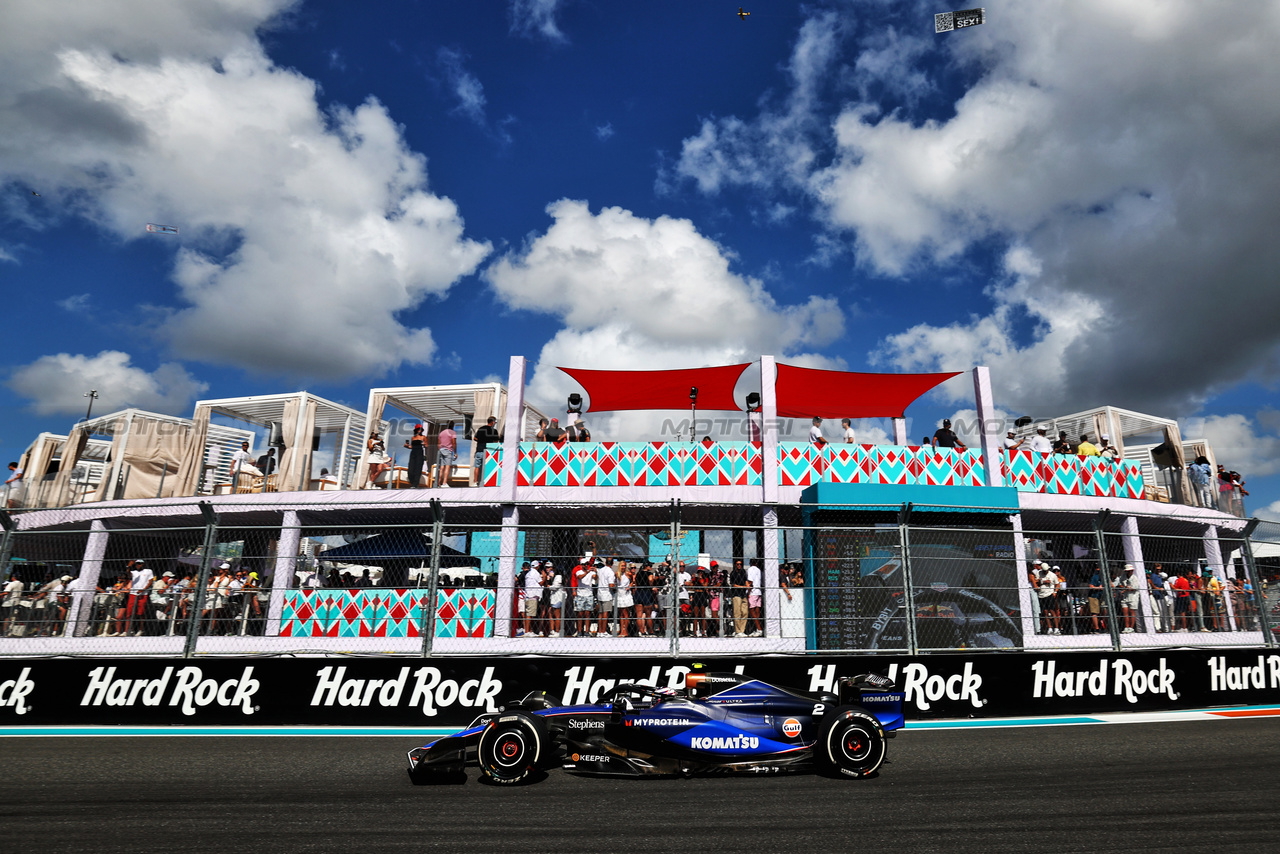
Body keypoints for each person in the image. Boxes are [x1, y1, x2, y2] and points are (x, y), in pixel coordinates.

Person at [123, 559, 153, 637]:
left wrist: (143, 589)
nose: (138, 565)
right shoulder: (134, 572)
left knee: (140, 612)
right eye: (137, 564)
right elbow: (128, 574)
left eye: (140, 563)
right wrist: (129, 566)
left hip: (143, 594)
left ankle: (140, 629)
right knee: (129, 612)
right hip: (133, 593)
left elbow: (150, 581)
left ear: (143, 564)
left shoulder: (148, 571)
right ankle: (128, 630)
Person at [472, 416, 501, 485]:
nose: (495, 423)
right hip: (489, 451)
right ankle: (486, 481)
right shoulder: (494, 431)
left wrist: (481, 440)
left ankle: (475, 482)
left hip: (479, 449)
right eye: (495, 422)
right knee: (488, 466)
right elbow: (496, 441)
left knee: (477, 466)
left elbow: (475, 438)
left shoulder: (481, 429)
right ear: (492, 422)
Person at [1116, 564, 1140, 633]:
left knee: (1132, 612)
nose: (1130, 572)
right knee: (1125, 612)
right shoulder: (1122, 577)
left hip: (1133, 597)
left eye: (1131, 571)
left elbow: (1134, 588)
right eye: (1128, 571)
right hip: (1125, 597)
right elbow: (1120, 584)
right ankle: (1126, 627)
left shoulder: (1135, 578)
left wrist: (1126, 589)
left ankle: (1131, 628)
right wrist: (1123, 587)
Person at [522, 560, 543, 637]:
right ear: (537, 566)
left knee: (530, 613)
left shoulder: (529, 573)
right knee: (530, 614)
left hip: (528, 595)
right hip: (532, 595)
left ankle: (530, 631)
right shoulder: (536, 573)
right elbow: (541, 583)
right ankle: (527, 631)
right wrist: (543, 576)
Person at [596, 559, 616, 636]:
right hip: (607, 594)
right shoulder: (610, 572)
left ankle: (599, 631)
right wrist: (615, 587)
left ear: (605, 562)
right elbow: (611, 585)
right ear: (613, 563)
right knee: (605, 613)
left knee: (600, 613)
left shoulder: (600, 570)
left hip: (600, 593)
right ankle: (604, 631)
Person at [1149, 565, 1171, 632]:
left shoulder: (1160, 576)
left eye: (1160, 569)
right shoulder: (1153, 576)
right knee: (1160, 612)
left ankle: (1166, 627)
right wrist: (1158, 588)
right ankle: (1161, 627)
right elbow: (1154, 585)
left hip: (1162, 595)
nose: (1159, 571)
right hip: (1157, 596)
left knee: (1164, 612)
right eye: (1157, 569)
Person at [730, 559, 749, 637]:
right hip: (736, 594)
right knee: (737, 613)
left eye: (740, 564)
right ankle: (738, 631)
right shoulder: (733, 573)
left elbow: (746, 581)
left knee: (745, 612)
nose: (739, 565)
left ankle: (742, 630)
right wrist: (744, 586)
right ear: (735, 565)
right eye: (737, 564)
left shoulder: (743, 572)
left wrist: (748, 586)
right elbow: (734, 585)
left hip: (743, 594)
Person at [404, 424, 426, 488]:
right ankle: (412, 482)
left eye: (421, 429)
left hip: (420, 452)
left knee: (418, 468)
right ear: (416, 430)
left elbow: (427, 445)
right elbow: (411, 446)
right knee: (411, 468)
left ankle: (415, 484)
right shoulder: (413, 437)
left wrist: (423, 444)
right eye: (419, 429)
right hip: (413, 452)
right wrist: (407, 446)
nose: (420, 430)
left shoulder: (423, 437)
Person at [615, 562, 634, 637]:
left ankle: (625, 631)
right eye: (622, 566)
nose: (623, 567)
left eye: (624, 566)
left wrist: (629, 586)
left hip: (626, 595)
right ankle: (621, 631)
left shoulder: (628, 574)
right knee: (621, 614)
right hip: (619, 594)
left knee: (626, 613)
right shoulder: (616, 574)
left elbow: (632, 581)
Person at [437, 422, 457, 487]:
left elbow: (438, 443)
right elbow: (454, 443)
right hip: (448, 450)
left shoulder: (441, 433)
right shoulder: (453, 432)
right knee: (447, 467)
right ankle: (444, 483)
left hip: (441, 450)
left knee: (441, 467)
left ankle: (439, 483)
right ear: (453, 425)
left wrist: (440, 450)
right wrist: (455, 452)